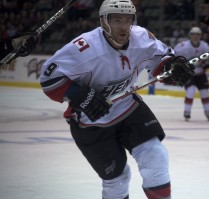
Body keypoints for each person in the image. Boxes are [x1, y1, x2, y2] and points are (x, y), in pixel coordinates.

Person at [40, 0, 194, 198]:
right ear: (104, 22)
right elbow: (49, 79)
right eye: (117, 20)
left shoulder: (141, 37)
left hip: (127, 106)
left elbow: (161, 61)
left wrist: (172, 68)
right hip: (90, 120)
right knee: (117, 178)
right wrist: (81, 96)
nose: (123, 26)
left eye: (128, 20)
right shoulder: (84, 47)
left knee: (155, 155)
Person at [173, 27, 209, 122]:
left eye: (198, 34)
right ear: (190, 35)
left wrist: (205, 66)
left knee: (204, 92)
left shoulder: (205, 47)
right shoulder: (183, 46)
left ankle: (208, 111)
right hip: (188, 74)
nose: (195, 36)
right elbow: (175, 58)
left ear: (200, 36)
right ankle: (187, 111)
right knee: (190, 91)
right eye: (193, 34)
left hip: (200, 73)